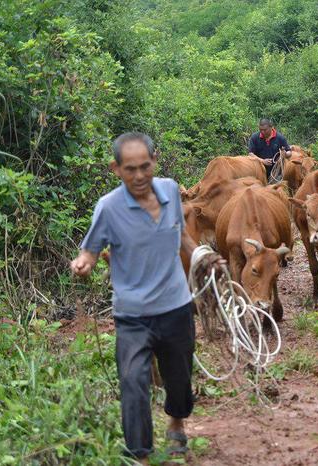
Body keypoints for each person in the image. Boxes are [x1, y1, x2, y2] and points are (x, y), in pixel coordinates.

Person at [70, 132, 217, 465]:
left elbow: (180, 235)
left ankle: (177, 423)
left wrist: (201, 256)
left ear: (154, 161)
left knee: (178, 377)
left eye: (145, 167)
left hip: (176, 306)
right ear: (115, 169)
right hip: (133, 314)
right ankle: (141, 455)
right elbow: (90, 250)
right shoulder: (108, 208)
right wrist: (84, 264)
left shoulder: (169, 189)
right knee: (134, 382)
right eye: (130, 169)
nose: (139, 176)